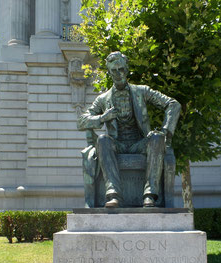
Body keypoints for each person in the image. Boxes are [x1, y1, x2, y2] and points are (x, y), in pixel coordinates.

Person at [77, 51, 181, 208]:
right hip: (117, 145)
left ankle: (150, 195)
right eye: (114, 70)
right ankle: (113, 195)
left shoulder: (142, 91)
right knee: (103, 140)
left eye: (121, 69)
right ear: (109, 72)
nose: (118, 74)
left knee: (157, 138)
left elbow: (173, 104)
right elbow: (82, 121)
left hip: (139, 143)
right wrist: (103, 118)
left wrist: (165, 131)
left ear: (126, 69)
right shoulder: (103, 99)